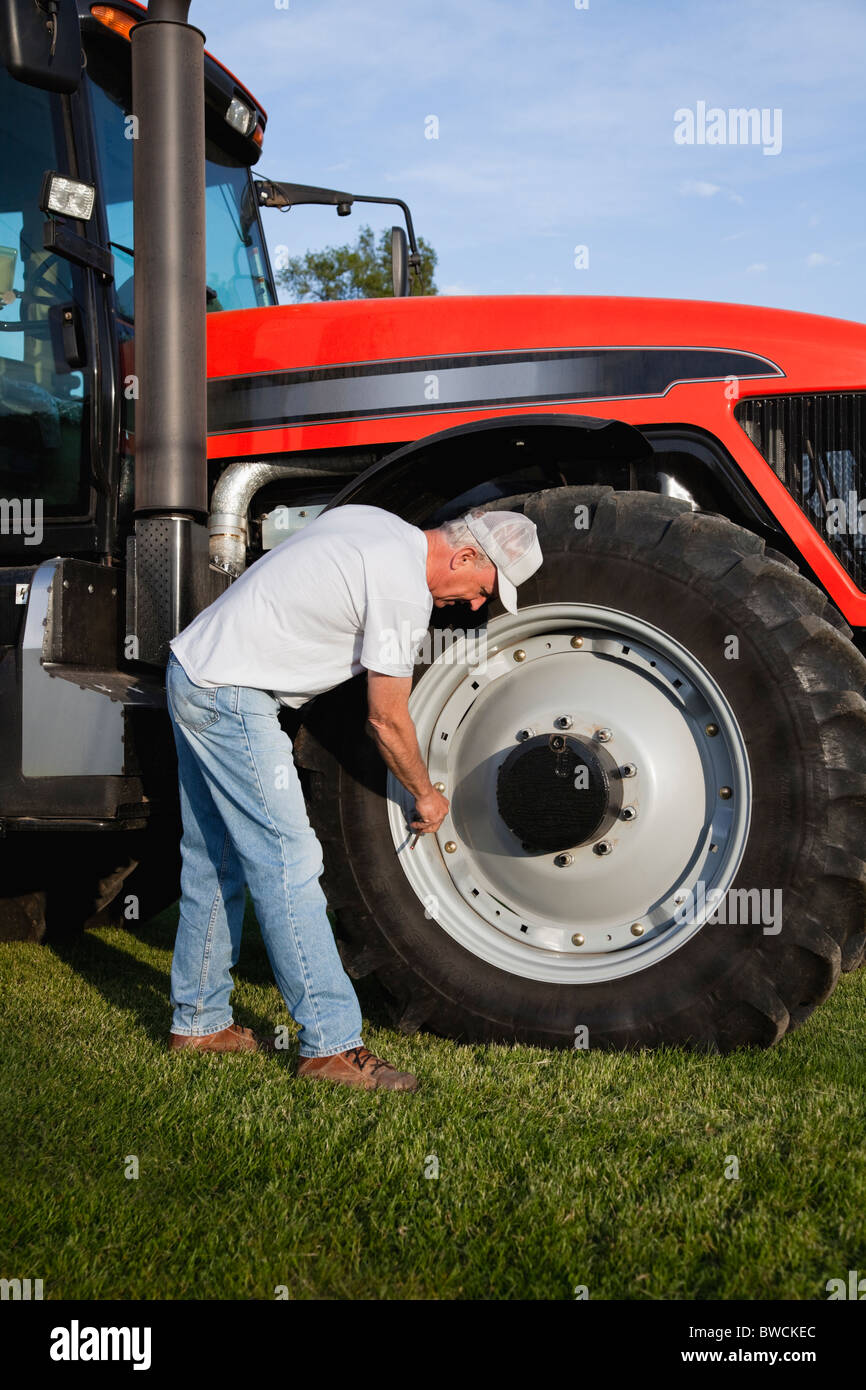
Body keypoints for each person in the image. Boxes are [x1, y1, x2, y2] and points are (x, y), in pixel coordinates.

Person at [165, 502, 543, 1091]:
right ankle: (329, 1046)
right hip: (232, 697)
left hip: (193, 671)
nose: (474, 604)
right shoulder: (403, 593)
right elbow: (387, 720)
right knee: (289, 863)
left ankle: (198, 1022)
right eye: (481, 588)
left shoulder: (377, 522)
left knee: (214, 860)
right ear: (466, 555)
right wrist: (426, 794)